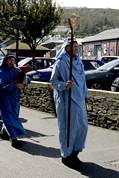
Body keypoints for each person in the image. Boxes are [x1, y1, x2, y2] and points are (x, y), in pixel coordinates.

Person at [50, 39, 88, 168]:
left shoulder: (79, 62)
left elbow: (83, 81)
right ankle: (66, 155)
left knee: (82, 127)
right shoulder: (60, 63)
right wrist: (64, 85)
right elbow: (53, 82)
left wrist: (85, 96)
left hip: (80, 100)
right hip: (67, 100)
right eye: (74, 47)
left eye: (77, 46)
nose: (77, 49)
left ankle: (75, 152)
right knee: (68, 128)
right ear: (67, 48)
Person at [0, 54, 27, 148]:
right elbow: (2, 86)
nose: (12, 62)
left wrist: (23, 82)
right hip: (5, 98)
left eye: (13, 60)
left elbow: (25, 80)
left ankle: (4, 133)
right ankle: (14, 139)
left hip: (15, 98)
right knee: (9, 117)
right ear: (5, 61)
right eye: (9, 60)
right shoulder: (1, 71)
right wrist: (15, 85)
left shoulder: (17, 70)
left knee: (13, 116)